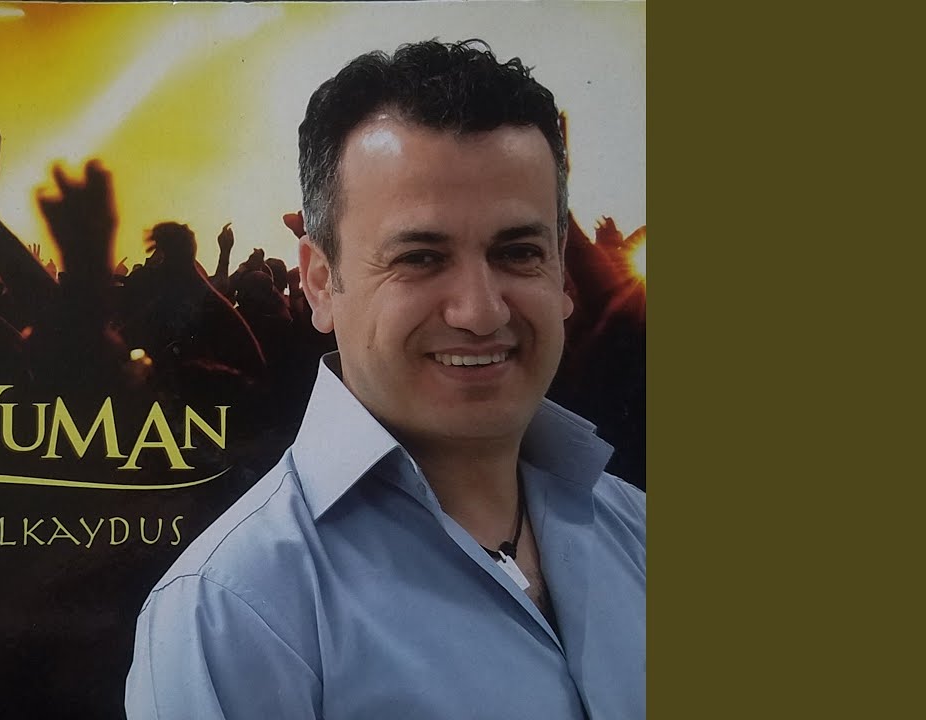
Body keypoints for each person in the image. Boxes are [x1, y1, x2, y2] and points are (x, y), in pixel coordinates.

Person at [125, 39, 645, 719]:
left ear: (562, 274)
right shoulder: (234, 613)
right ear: (320, 282)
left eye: (518, 252)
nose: (481, 311)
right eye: (421, 258)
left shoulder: (637, 529)